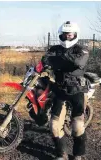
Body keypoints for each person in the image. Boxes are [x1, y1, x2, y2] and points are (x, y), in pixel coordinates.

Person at [41, 21, 89, 160]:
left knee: (78, 127)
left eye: (70, 34)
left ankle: (78, 155)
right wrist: (63, 61)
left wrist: (57, 61)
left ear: (75, 34)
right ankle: (61, 154)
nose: (67, 37)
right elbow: (45, 60)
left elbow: (79, 63)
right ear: (61, 35)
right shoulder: (54, 48)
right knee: (54, 126)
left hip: (78, 90)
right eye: (65, 35)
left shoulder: (82, 49)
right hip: (59, 90)